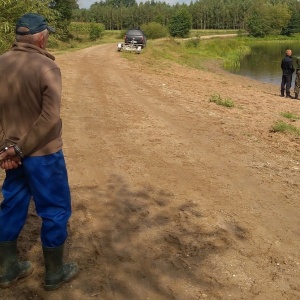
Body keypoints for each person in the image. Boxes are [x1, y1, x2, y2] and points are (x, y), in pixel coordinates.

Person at [0, 13, 79, 290]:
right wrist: (20, 149)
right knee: (55, 209)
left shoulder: (2, 62)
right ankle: (54, 273)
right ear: (41, 37)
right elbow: (49, 120)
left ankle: (7, 269)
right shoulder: (47, 68)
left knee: (12, 204)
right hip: (44, 155)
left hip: (14, 155)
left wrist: (8, 148)